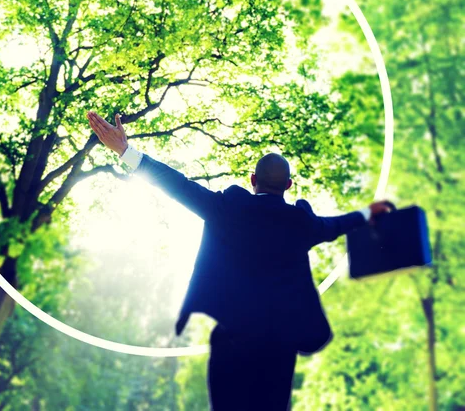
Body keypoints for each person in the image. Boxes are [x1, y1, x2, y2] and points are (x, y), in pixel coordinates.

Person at [86, 111, 393, 410]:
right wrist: (368, 213)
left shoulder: (228, 208)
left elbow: (179, 186)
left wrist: (126, 151)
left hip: (232, 343)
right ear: (288, 186)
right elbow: (336, 226)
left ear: (252, 179)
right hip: (278, 346)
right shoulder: (302, 222)